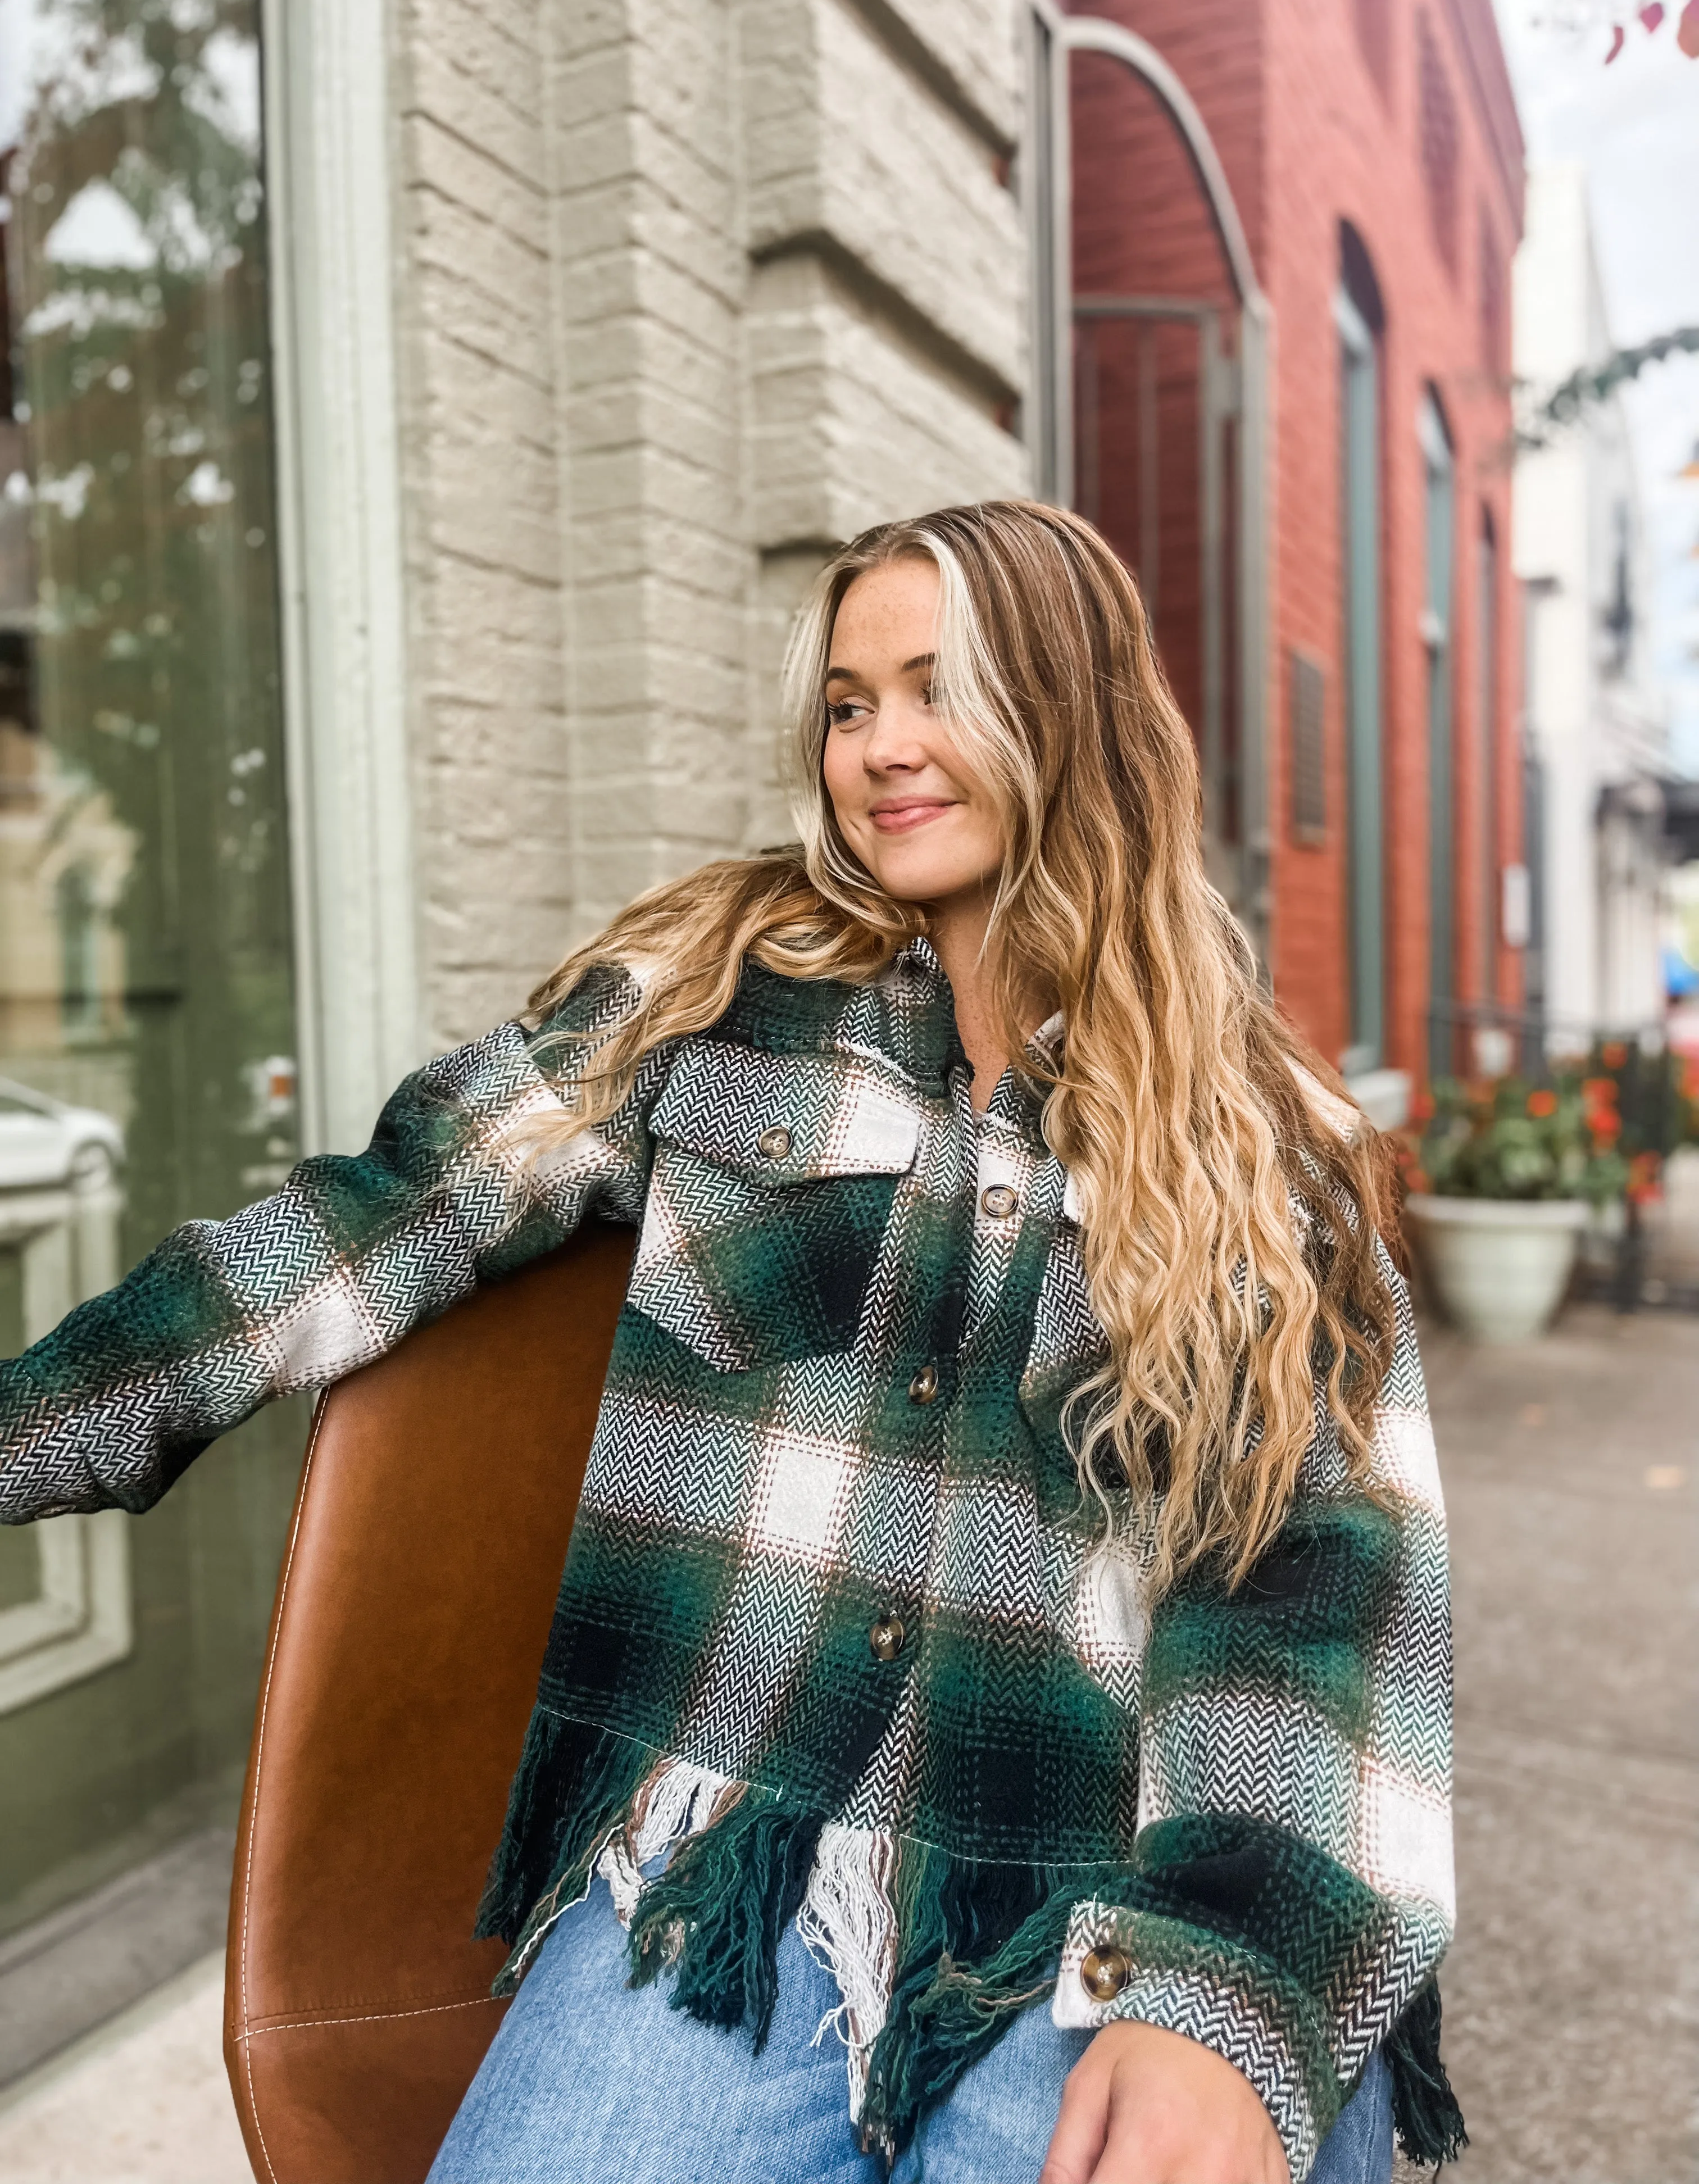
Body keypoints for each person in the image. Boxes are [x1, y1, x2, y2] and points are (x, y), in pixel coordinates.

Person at [1, 502, 1463, 2184]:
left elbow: (1320, 1590)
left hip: (1089, 1887)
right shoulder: (713, 987)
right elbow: (365, 1227)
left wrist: (1221, 1993)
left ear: (1069, 711)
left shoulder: (1254, 1134)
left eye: (938, 688)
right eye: (849, 705)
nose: (881, 750)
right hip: (721, 1863)